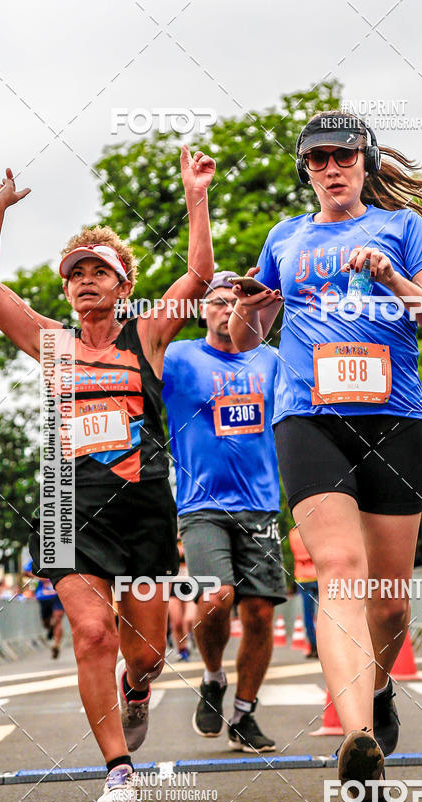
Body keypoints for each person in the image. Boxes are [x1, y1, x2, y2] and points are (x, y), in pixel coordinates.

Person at [0, 147, 215, 802]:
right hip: (67, 511)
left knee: (144, 652)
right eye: (74, 272)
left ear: (122, 284)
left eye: (98, 271)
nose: (84, 280)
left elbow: (199, 274)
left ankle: (137, 690)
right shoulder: (51, 343)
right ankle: (118, 770)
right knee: (91, 634)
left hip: (142, 515)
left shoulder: (149, 336)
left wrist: (196, 195)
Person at [229, 111, 422, 802]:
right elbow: (246, 340)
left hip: (396, 422)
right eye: (318, 158)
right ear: (306, 168)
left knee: (388, 606)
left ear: (364, 163)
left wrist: (393, 276)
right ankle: (357, 739)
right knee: (339, 572)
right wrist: (250, 307)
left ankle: (380, 686)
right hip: (308, 417)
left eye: (343, 156)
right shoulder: (285, 238)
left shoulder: (403, 231)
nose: (332, 168)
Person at [162, 271, 287, 753]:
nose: (222, 308)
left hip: (261, 504)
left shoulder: (269, 360)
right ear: (200, 308)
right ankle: (213, 678)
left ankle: (244, 715)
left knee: (259, 613)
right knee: (215, 598)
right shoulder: (179, 356)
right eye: (213, 301)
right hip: (201, 504)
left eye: (232, 301)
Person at [24, 559, 64, 658]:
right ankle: (50, 628)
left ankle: (56, 645)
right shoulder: (40, 554)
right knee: (46, 623)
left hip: (57, 594)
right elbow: (25, 571)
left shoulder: (63, 552)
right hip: (43, 596)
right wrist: (39, 577)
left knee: (58, 619)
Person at [289, 525, 319, 657]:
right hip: (319, 574)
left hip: (303, 578)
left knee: (308, 614)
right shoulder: (313, 529)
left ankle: (314, 647)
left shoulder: (293, 533)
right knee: (327, 612)